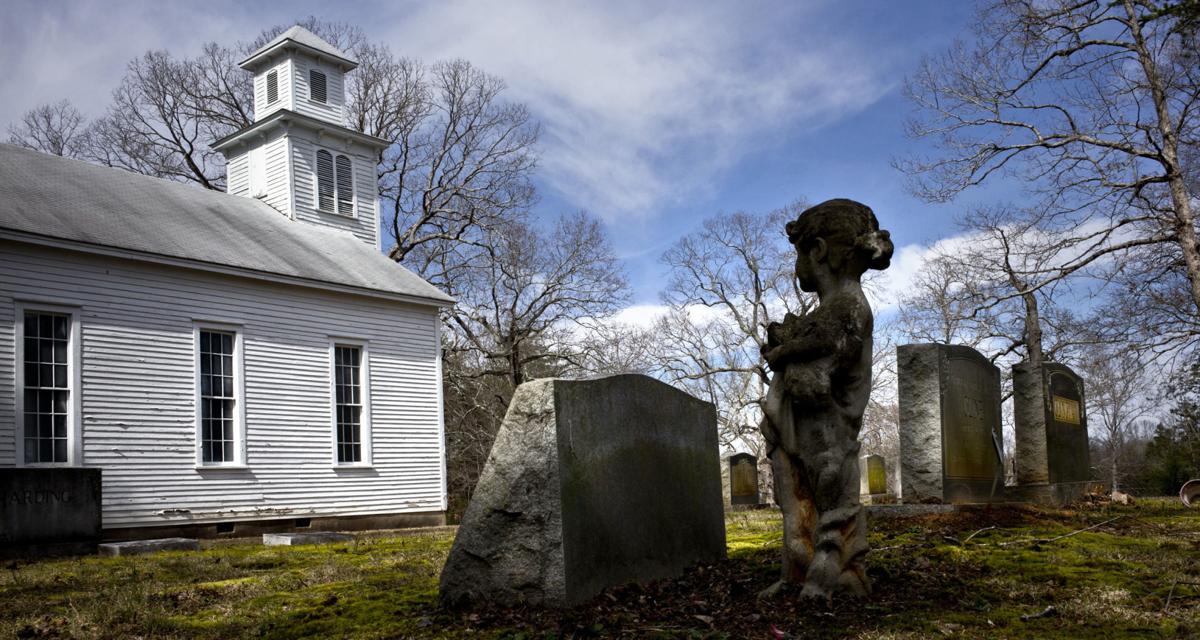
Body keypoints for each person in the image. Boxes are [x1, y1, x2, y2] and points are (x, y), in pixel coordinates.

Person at [758, 198, 892, 601]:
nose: (796, 265)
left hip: (827, 426)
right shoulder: (829, 308)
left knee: (833, 502)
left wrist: (785, 351)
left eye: (798, 254)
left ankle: (833, 575)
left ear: (816, 251)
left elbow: (824, 358)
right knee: (795, 504)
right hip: (795, 427)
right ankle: (796, 572)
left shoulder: (850, 305)